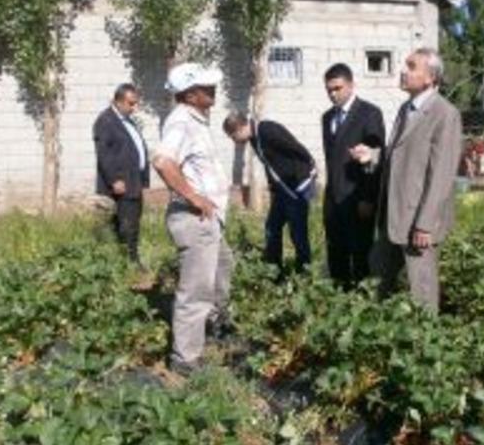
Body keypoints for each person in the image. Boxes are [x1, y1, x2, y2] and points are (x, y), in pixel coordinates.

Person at [349, 48, 462, 313]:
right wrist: (374, 156)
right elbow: (402, 155)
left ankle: (425, 346)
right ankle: (373, 338)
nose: (403, 70)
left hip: (419, 221)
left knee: (421, 291)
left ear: (430, 77)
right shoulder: (405, 109)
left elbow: (442, 174)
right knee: (376, 281)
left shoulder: (444, 114)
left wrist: (425, 224)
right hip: (392, 215)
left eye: (411, 66)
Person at [152, 62, 232, 375]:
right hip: (195, 218)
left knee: (223, 269)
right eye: (205, 86)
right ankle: (186, 359)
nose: (212, 89)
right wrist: (194, 197)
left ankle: (212, 329)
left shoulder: (196, 120)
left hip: (208, 220)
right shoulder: (182, 121)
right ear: (189, 94)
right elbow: (163, 162)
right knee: (196, 289)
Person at [223, 112, 317, 274]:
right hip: (282, 191)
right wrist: (274, 189)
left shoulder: (267, 130)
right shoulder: (254, 138)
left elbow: (296, 148)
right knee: (272, 227)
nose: (234, 142)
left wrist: (306, 176)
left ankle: (304, 274)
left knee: (297, 234)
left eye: (232, 137)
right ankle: (274, 271)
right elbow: (270, 165)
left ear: (239, 129)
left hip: (295, 189)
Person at [321, 63, 386, 287]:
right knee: (335, 250)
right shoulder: (327, 118)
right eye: (329, 89)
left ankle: (361, 301)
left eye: (337, 88)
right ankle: (339, 295)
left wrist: (368, 198)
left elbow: (376, 158)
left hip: (358, 197)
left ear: (351, 85)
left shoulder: (369, 114)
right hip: (334, 198)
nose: (333, 94)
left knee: (360, 252)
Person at [93, 83, 150, 269]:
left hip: (133, 181)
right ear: (118, 101)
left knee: (132, 220)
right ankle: (129, 262)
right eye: (131, 103)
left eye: (136, 103)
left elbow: (132, 148)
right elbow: (104, 155)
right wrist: (114, 180)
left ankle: (128, 259)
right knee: (126, 224)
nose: (134, 108)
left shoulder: (127, 119)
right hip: (121, 183)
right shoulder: (106, 121)